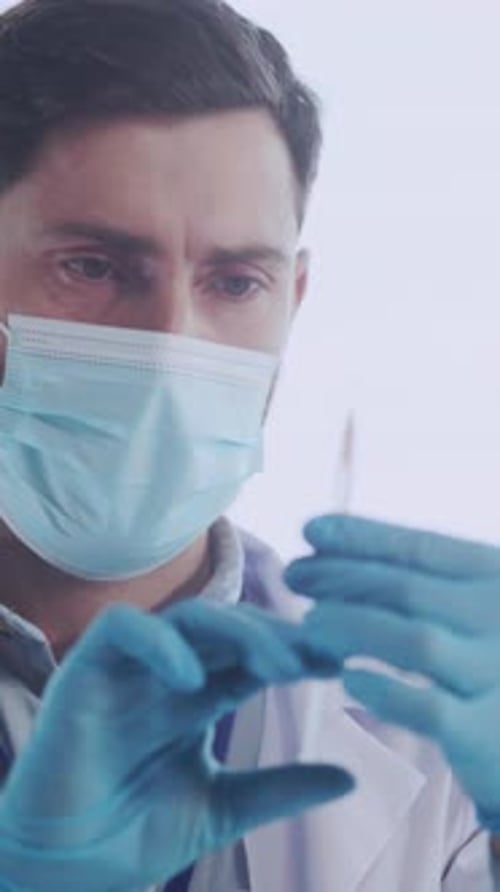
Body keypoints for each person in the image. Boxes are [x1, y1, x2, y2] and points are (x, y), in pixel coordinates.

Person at [0, 0, 498, 889]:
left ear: (293, 300)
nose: (169, 345)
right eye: (94, 266)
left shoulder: (430, 735)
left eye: (235, 281)